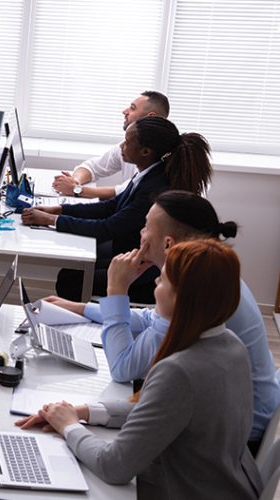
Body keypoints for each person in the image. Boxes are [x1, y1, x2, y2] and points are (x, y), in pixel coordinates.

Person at [16, 240, 262, 499]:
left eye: (163, 280)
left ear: (182, 298)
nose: (156, 284)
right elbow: (164, 408)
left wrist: (69, 426)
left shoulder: (180, 371)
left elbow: (113, 466)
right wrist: (86, 412)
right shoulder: (231, 345)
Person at [43, 190, 279, 452]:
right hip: (242, 412)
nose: (141, 234)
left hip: (233, 437)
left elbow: (123, 368)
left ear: (168, 243)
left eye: (146, 227)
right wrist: (81, 308)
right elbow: (149, 319)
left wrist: (117, 290)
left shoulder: (193, 291)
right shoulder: (209, 271)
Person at [22, 116, 212, 302]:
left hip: (147, 275)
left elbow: (108, 228)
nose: (122, 146)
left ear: (145, 151)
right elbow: (111, 206)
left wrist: (50, 221)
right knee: (73, 270)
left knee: (72, 280)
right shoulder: (148, 174)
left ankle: (82, 324)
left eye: (128, 142)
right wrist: (60, 210)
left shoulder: (155, 188)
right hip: (132, 253)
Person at [51, 92, 170, 200]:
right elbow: (93, 167)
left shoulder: (161, 157)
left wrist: (76, 189)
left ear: (151, 117)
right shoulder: (129, 144)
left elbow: (123, 191)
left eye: (132, 108)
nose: (124, 111)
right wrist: (75, 181)